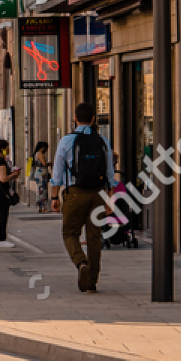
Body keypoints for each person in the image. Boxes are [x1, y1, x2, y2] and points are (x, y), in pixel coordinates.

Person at [50, 103, 114, 293]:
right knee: (94, 237)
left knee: (70, 233)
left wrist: (54, 196)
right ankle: (91, 281)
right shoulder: (102, 141)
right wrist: (109, 198)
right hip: (98, 193)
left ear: (75, 119)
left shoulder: (67, 141)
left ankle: (80, 262)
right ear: (93, 119)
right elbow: (110, 173)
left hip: (75, 193)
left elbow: (57, 172)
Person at [30, 141, 52, 213]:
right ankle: (43, 207)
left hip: (39, 173)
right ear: (42, 148)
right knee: (42, 190)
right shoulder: (40, 154)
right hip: (41, 173)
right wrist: (50, 163)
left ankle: (41, 207)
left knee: (40, 190)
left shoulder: (36, 154)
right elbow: (44, 163)